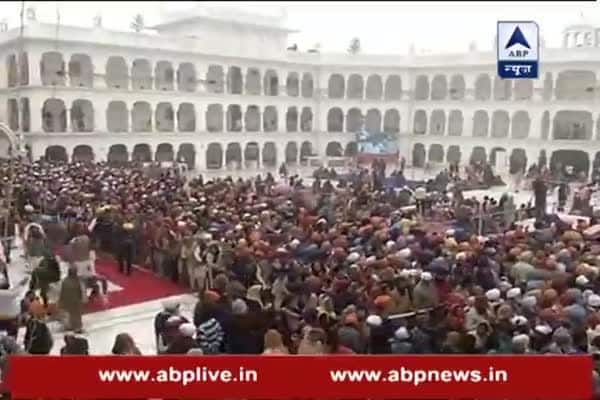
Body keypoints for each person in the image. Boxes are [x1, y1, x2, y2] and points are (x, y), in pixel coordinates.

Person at [58, 266, 84, 333]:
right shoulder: (76, 280)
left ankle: (71, 326)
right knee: (76, 315)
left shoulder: (65, 281)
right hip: (75, 301)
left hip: (69, 301)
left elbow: (62, 292)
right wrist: (80, 298)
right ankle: (76, 327)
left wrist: (61, 301)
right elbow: (79, 291)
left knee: (71, 314)